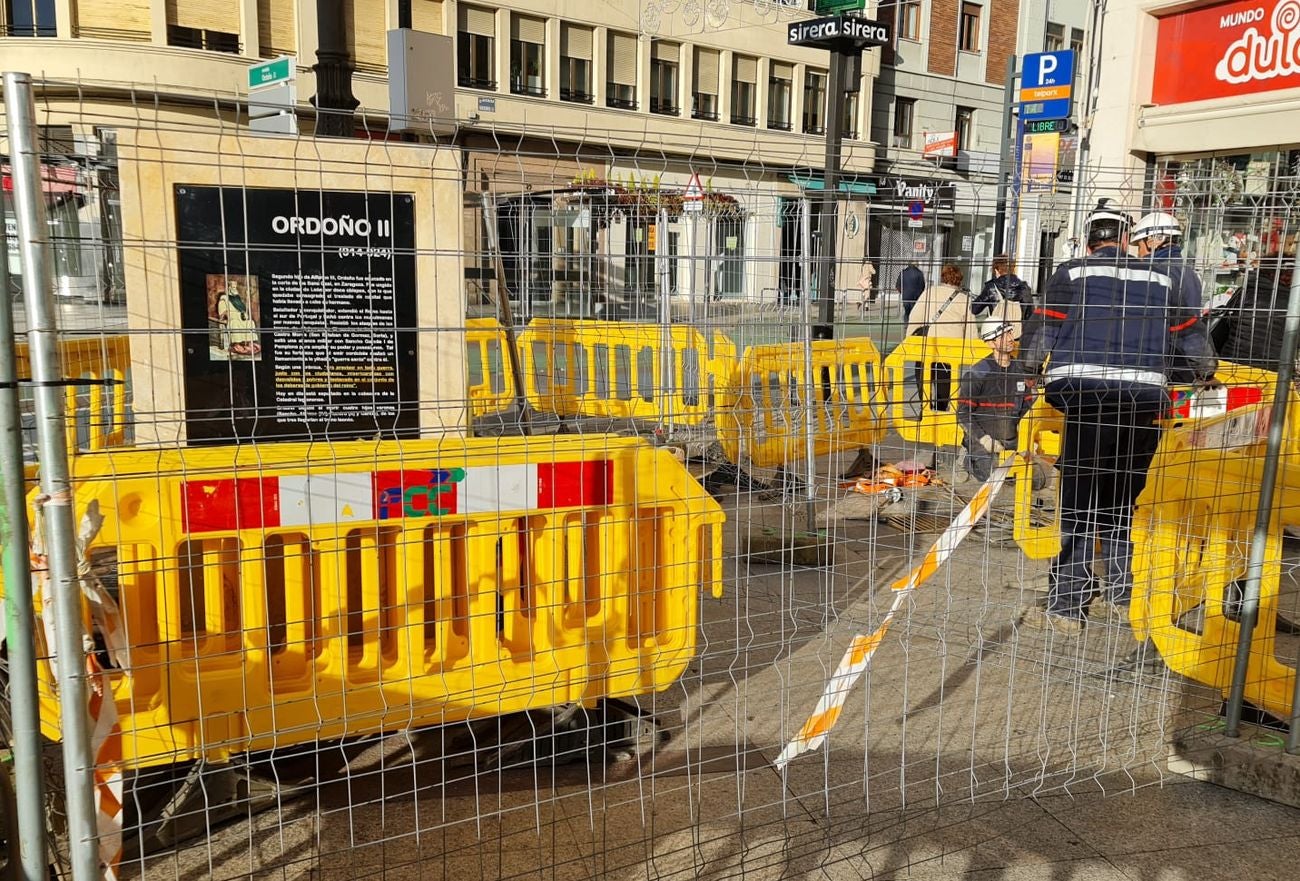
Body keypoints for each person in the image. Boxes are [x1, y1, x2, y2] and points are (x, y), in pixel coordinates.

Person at [1019, 199, 1218, 634]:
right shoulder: (1160, 279)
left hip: (1085, 397)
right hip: (1142, 399)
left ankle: (1068, 600)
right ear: (1127, 240)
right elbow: (1192, 339)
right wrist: (1206, 372)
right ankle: (1122, 590)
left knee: (1079, 500)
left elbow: (1042, 332)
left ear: (1088, 242)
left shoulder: (1072, 272)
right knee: (1122, 497)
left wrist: (1028, 371)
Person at [957, 318, 1038, 484]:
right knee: (996, 476)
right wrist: (984, 440)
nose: (1009, 338)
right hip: (983, 442)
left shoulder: (1020, 371)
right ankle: (968, 458)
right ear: (990, 343)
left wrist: (1028, 440)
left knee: (1037, 480)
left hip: (1011, 441)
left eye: (1009, 332)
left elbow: (1028, 409)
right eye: (1002, 336)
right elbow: (963, 414)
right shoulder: (977, 374)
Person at [906, 263, 979, 340]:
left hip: (932, 338)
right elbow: (971, 328)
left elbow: (916, 316)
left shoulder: (930, 292)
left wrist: (909, 337)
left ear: (943, 277)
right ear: (960, 280)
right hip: (955, 341)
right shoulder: (965, 299)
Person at [973, 254, 1034, 322]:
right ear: (1012, 269)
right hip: (1018, 330)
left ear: (997, 270)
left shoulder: (991, 287)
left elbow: (974, 310)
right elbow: (1030, 315)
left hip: (997, 329)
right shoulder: (1024, 288)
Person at [215, 279, 260, 357]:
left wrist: (244, 314)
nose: (234, 289)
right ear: (229, 288)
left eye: (235, 287)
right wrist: (226, 313)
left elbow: (243, 310)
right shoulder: (224, 297)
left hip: (241, 317)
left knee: (250, 322)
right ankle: (236, 344)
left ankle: (249, 342)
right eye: (232, 287)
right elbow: (222, 310)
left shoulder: (237, 299)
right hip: (231, 318)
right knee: (235, 323)